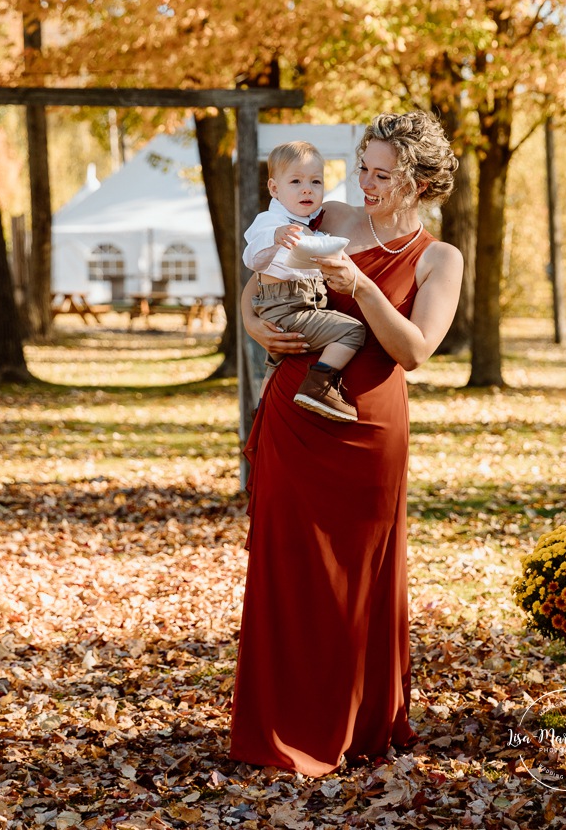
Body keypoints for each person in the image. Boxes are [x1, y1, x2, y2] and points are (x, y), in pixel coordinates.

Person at [230, 111, 464, 776]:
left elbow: (414, 349)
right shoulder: (323, 216)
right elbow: (255, 289)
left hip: (368, 430)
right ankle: (278, 726)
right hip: (294, 419)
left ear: (417, 183)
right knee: (286, 568)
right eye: (361, 167)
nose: (363, 183)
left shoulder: (438, 259)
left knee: (358, 579)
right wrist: (254, 327)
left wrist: (359, 286)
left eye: (381, 175)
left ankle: (356, 722)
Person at [243, 140, 366, 422]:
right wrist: (273, 239)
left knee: (276, 362)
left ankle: (262, 410)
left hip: (298, 304)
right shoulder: (270, 222)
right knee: (352, 332)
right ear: (274, 189)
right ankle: (319, 385)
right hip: (286, 305)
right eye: (296, 181)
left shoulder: (313, 227)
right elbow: (252, 259)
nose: (307, 189)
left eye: (316, 181)